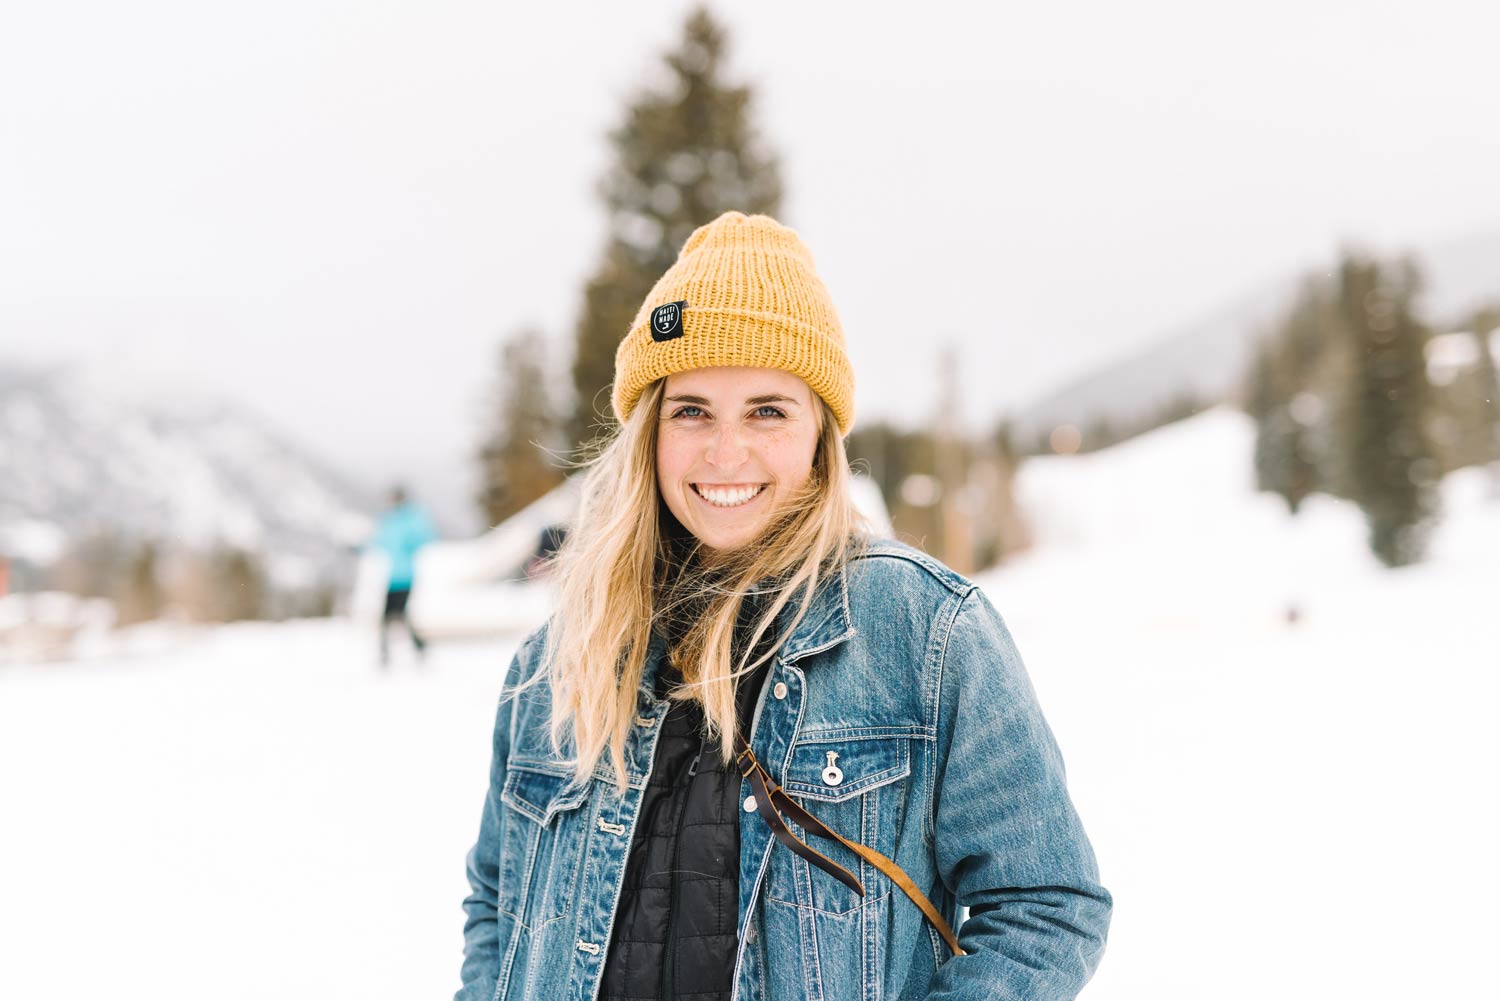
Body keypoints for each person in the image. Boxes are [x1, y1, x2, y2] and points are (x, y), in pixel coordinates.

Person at [456, 212, 1111, 1000]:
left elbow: (1045, 902)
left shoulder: (924, 630)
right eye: (691, 409)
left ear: (818, 433)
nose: (725, 452)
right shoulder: (558, 657)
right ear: (649, 432)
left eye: (767, 410)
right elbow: (498, 904)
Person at [370, 485, 436, 666]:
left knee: (395, 616)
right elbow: (379, 542)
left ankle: (394, 652)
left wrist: (411, 542)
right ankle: (413, 648)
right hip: (393, 578)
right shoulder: (390, 520)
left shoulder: (412, 518)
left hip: (406, 576)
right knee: (396, 616)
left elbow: (426, 537)